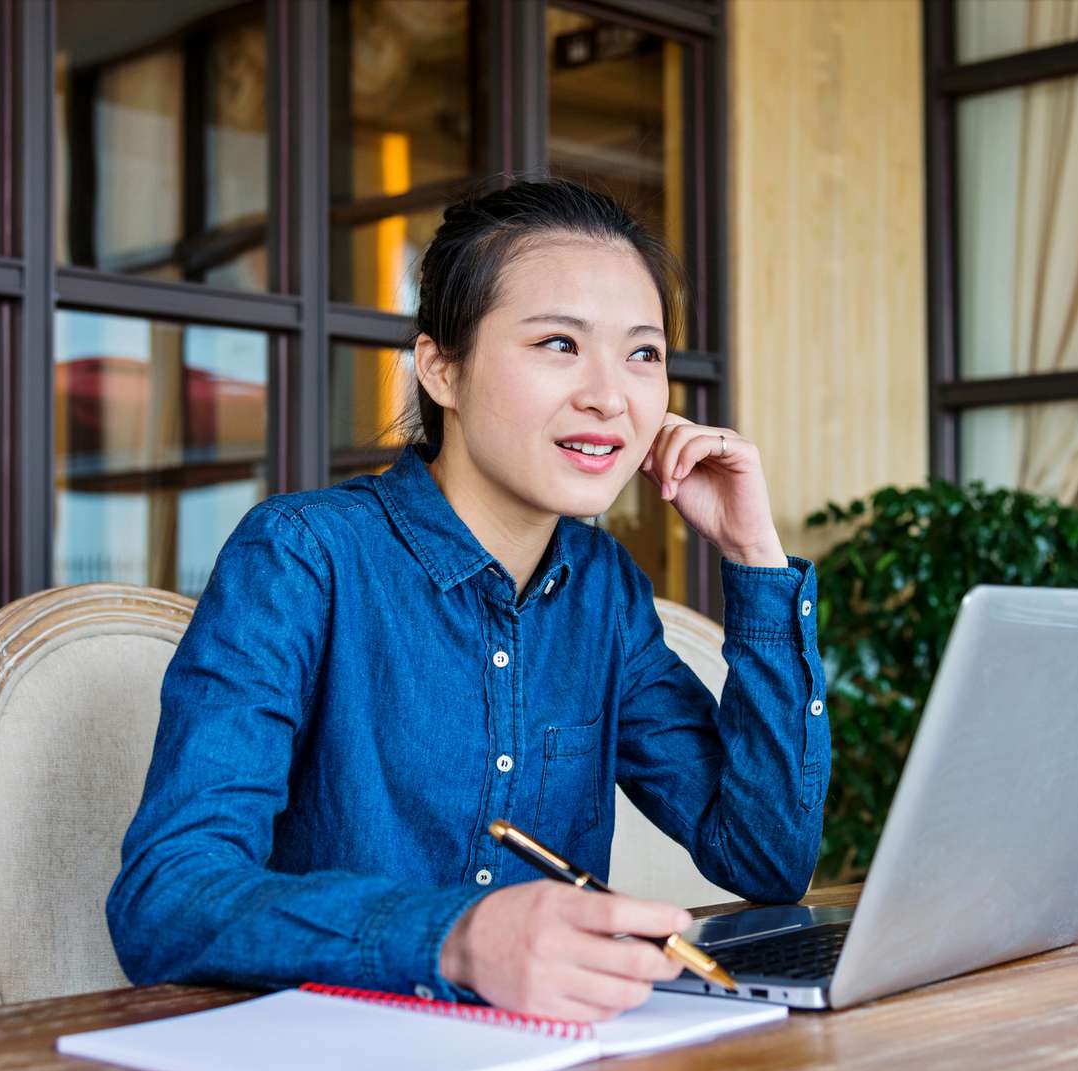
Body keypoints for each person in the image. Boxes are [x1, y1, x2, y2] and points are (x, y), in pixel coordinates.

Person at [107, 177, 832, 1023]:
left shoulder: (605, 591)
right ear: (441, 369)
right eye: (560, 343)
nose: (611, 393)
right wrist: (457, 937)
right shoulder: (302, 557)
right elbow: (166, 896)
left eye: (643, 353)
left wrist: (753, 553)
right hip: (328, 1069)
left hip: (541, 1069)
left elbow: (765, 856)